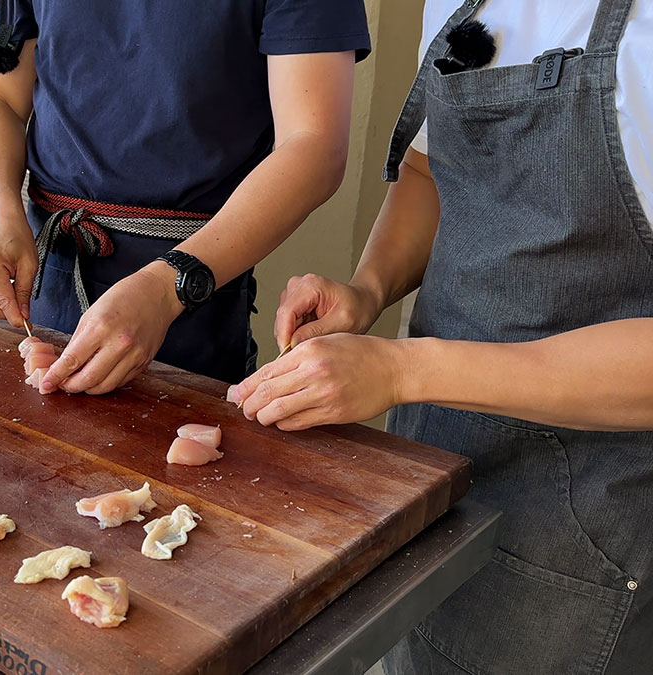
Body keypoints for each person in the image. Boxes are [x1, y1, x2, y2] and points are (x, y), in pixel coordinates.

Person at [232, 0, 653, 672]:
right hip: (434, 457)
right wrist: (367, 291)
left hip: (583, 515)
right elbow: (432, 172)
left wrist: (402, 370)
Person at [0, 1, 371, 395]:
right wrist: (2, 217)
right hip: (42, 275)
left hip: (193, 293)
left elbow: (315, 146)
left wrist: (166, 287)